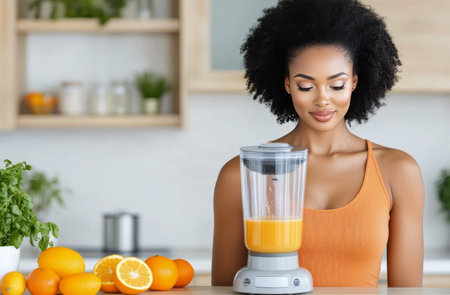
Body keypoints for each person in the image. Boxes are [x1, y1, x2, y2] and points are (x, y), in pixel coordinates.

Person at [212, 0, 424, 288]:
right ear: (287, 84)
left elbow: (407, 292)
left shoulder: (398, 172)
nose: (322, 99)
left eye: (336, 85)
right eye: (306, 86)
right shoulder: (242, 174)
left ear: (354, 82)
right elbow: (224, 289)